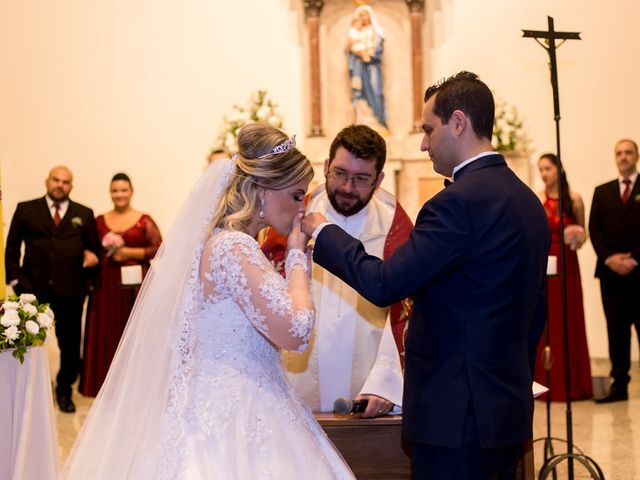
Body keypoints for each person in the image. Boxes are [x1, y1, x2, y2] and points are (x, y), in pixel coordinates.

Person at [61, 124, 355, 479]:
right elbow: (296, 332)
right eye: (296, 195)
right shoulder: (234, 248)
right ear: (262, 191)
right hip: (234, 411)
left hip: (241, 396)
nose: (300, 208)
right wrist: (295, 256)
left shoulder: (224, 243)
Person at [301, 71, 550, 479]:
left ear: (458, 122)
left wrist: (324, 232)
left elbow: (385, 284)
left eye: (428, 129)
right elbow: (535, 313)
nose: (422, 143)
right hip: (504, 412)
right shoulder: (527, 202)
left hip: (455, 419)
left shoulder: (455, 204)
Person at [261, 124, 413, 417]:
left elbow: (405, 309)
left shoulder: (395, 228)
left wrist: (385, 381)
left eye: (360, 179)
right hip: (296, 382)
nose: (346, 187)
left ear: (379, 179)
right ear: (327, 166)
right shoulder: (293, 217)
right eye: (340, 173)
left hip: (367, 384)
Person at [5, 166, 101, 413]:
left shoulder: (85, 213)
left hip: (70, 292)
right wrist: (16, 281)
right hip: (32, 291)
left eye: (66, 182)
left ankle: (64, 390)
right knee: (31, 344)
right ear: (46, 181)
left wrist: (87, 285)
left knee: (70, 347)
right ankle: (29, 391)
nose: (60, 185)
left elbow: (95, 252)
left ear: (72, 186)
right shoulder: (26, 209)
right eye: (56, 180)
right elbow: (12, 248)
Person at [79, 173, 162, 397]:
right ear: (110, 192)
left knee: (133, 330)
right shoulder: (99, 221)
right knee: (108, 330)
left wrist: (129, 252)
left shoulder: (144, 219)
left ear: (131, 191)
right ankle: (104, 385)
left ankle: (135, 385)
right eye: (115, 190)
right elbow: (88, 247)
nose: (119, 195)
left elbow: (159, 248)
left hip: (136, 287)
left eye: (123, 190)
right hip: (107, 286)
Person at [534, 153, 593, 401]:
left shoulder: (574, 199)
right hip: (547, 265)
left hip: (569, 264)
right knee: (548, 321)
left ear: (559, 169)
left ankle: (574, 384)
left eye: (548, 168)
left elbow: (584, 234)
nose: (544, 174)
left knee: (569, 319)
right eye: (541, 170)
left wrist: (578, 237)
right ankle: (548, 383)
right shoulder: (538, 198)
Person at [589, 138, 640, 403]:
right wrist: (611, 259)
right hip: (611, 276)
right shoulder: (602, 191)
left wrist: (633, 259)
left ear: (637, 156)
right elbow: (594, 231)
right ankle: (619, 386)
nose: (623, 157)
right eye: (619, 153)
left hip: (639, 272)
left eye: (628, 152)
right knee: (616, 331)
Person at [347, 5, 388, 131]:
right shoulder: (356, 31)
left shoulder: (376, 31)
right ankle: (364, 123)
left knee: (376, 91)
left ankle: (379, 121)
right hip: (360, 67)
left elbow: (379, 47)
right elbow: (352, 47)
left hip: (372, 65)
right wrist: (361, 53)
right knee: (360, 94)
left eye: (366, 15)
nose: (364, 18)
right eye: (361, 15)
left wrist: (371, 55)